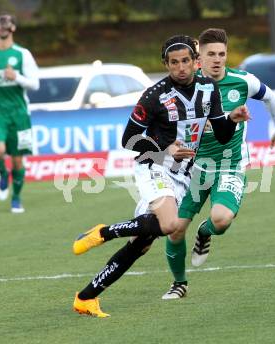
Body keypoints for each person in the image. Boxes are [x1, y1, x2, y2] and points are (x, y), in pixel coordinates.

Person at [71, 34, 250, 317]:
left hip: (182, 173)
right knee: (169, 225)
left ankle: (86, 298)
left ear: (195, 61)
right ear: (166, 64)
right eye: (173, 62)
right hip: (154, 165)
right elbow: (128, 140)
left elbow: (221, 131)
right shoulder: (154, 96)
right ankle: (103, 232)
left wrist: (232, 118)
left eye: (185, 61)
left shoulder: (209, 89)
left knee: (142, 242)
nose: (180, 67)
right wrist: (164, 150)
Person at [161, 28, 275, 300]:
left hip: (230, 164)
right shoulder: (186, 86)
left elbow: (270, 97)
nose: (217, 59)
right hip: (193, 169)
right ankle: (178, 283)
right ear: (199, 57)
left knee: (221, 220)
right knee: (174, 228)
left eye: (221, 54)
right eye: (210, 54)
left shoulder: (243, 81)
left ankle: (205, 232)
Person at [0, 14, 39, 213]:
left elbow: (35, 83)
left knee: (17, 160)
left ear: (13, 28)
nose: (2, 28)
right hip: (0, 112)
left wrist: (16, 77)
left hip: (19, 113)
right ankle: (2, 174)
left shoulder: (22, 54)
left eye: (6, 24)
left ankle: (16, 198)